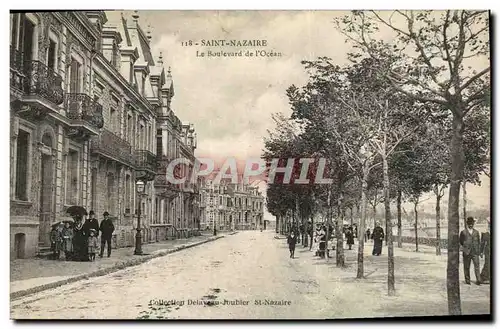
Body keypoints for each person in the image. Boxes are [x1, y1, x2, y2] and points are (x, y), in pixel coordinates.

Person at [459, 216, 481, 285]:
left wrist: (479, 251)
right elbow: (460, 242)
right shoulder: (463, 232)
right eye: (469, 223)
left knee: (477, 266)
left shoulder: (476, 232)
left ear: (473, 224)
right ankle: (467, 280)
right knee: (466, 266)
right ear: (467, 224)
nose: (471, 225)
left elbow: (479, 242)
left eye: (472, 223)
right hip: (467, 252)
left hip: (475, 252)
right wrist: (464, 249)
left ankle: (478, 280)